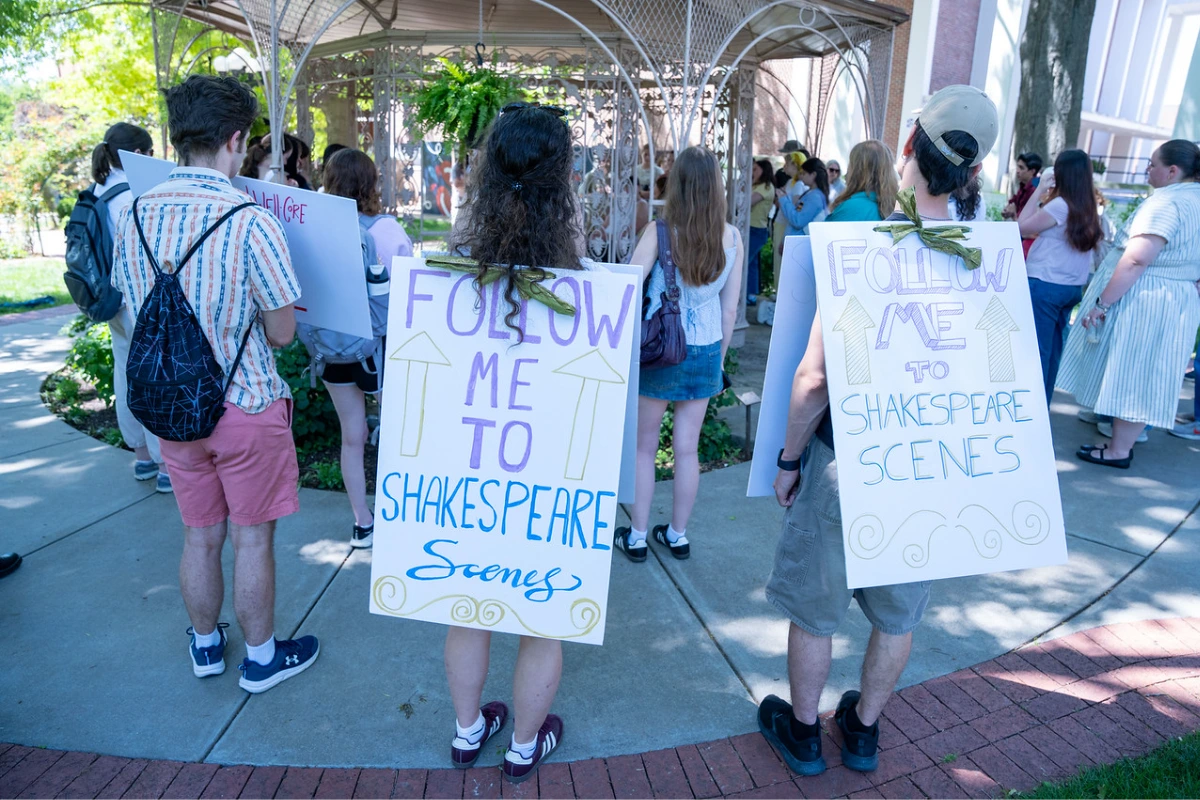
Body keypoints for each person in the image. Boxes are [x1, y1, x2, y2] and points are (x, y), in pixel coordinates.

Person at [759, 85, 998, 778]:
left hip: (848, 460)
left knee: (816, 607)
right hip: (930, 464)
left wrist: (788, 458)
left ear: (907, 153)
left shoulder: (867, 251)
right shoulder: (986, 262)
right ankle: (863, 731)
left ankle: (804, 734)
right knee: (898, 612)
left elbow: (813, 379)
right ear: (974, 172)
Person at [110, 75, 319, 692]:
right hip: (244, 404)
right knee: (252, 540)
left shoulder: (137, 212)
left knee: (200, 534)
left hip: (172, 408)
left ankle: (205, 646)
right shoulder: (249, 220)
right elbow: (282, 334)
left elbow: (133, 306)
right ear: (236, 140)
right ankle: (260, 659)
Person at [442, 101, 587, 783]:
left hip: (468, 461)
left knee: (466, 604)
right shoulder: (573, 264)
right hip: (550, 469)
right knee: (543, 614)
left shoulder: (457, 254)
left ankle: (469, 732)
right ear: (561, 175)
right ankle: (525, 747)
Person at [614, 146, 744, 563]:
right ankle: (678, 534)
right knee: (688, 450)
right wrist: (719, 359)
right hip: (705, 350)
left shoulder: (660, 231)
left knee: (644, 448)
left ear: (679, 185)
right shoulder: (732, 236)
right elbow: (729, 308)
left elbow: (628, 287)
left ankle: (636, 536)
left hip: (659, 349)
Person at [1057, 139, 1200, 468]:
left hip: (1148, 297)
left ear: (1172, 171)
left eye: (1152, 165)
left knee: (1133, 372)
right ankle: (1120, 443)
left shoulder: (1167, 203)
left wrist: (1101, 304)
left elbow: (1136, 260)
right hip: (1177, 296)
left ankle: (1119, 450)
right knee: (1147, 372)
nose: (1148, 170)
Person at [319, 149, 413, 548]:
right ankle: (401, 514)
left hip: (334, 347)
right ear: (372, 182)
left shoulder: (319, 229)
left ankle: (363, 522)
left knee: (351, 436)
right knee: (398, 434)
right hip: (384, 347)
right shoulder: (388, 232)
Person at [91, 122, 172, 493]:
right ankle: (164, 462)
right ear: (138, 155)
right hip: (136, 299)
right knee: (153, 376)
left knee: (125, 373)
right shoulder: (131, 197)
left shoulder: (98, 190)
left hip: (111, 300)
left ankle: (141, 456)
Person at [1018, 150, 1104, 403]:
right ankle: (1041, 405)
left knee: (1037, 352)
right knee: (1052, 351)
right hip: (1070, 287)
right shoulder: (1089, 206)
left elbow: (1021, 227)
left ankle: (1032, 411)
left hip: (1046, 284)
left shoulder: (1059, 205)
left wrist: (1038, 189)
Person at [825, 140, 898, 222]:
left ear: (856, 170)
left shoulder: (851, 208)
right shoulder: (899, 209)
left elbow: (822, 234)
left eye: (850, 164)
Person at [775, 156, 829, 236]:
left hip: (800, 243)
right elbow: (798, 211)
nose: (801, 176)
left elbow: (798, 220)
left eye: (804, 173)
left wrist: (784, 200)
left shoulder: (815, 197)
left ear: (813, 174)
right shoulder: (810, 193)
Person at [747, 158, 774, 303]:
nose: (753, 172)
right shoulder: (758, 185)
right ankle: (750, 294)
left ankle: (746, 294)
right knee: (751, 264)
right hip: (752, 227)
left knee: (746, 262)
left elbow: (748, 202)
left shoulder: (766, 187)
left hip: (757, 229)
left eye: (756, 169)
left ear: (764, 170)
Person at [1002, 152, 1043, 219]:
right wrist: (1007, 210)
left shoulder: (1034, 190)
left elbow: (1023, 224)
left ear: (1032, 171)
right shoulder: (1024, 184)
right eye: (1017, 166)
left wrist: (1013, 214)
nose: (1017, 171)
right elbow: (1013, 202)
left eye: (1021, 168)